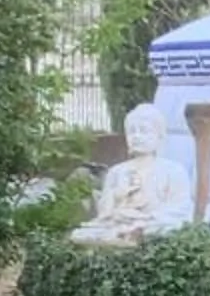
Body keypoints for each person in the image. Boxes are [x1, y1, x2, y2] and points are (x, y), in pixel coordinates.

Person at [70, 103, 194, 244]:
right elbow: (104, 213)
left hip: (151, 225)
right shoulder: (117, 171)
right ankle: (124, 235)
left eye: (144, 131)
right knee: (80, 234)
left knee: (166, 229)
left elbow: (180, 210)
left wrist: (146, 219)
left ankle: (131, 234)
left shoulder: (173, 171)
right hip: (118, 224)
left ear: (159, 136)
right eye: (132, 132)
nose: (137, 137)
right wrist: (117, 196)